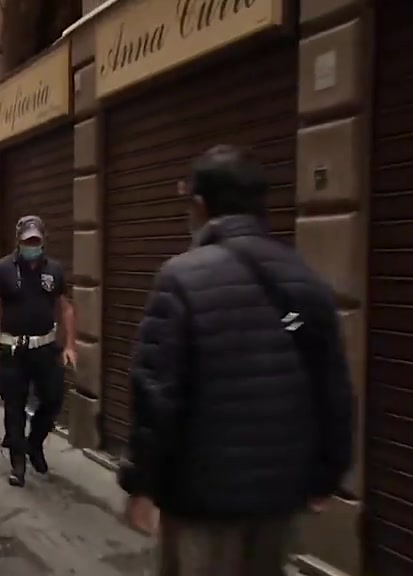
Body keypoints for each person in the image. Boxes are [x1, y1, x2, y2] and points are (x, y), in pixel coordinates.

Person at [119, 145, 352, 575]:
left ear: (199, 206)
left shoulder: (181, 277)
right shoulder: (306, 280)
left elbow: (156, 394)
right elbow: (333, 388)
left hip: (201, 498)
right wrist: (328, 473)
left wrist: (142, 483)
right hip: (278, 496)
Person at [0, 215, 76, 487]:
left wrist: (70, 344)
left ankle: (35, 443)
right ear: (18, 241)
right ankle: (18, 463)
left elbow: (65, 307)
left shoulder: (54, 270)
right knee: (14, 407)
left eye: (35, 240)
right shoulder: (3, 270)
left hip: (45, 348)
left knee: (54, 399)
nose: (31, 245)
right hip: (13, 350)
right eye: (27, 241)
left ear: (43, 240)